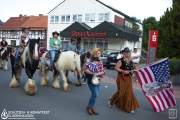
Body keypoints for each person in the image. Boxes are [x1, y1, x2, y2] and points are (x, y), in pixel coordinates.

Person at [108, 47, 139, 114]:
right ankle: (111, 100)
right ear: (124, 53)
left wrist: (132, 73)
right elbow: (116, 68)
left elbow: (132, 69)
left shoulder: (130, 61)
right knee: (121, 92)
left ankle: (129, 108)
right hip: (121, 77)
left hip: (128, 78)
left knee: (129, 93)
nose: (128, 53)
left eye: (128, 52)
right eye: (126, 52)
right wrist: (123, 71)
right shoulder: (121, 60)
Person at [84, 48, 105, 115]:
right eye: (98, 53)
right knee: (95, 94)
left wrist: (98, 73)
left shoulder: (100, 61)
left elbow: (103, 71)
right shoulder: (90, 61)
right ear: (95, 53)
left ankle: (91, 107)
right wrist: (94, 73)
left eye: (100, 53)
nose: (99, 54)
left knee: (94, 95)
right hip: (91, 80)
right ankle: (89, 107)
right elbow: (85, 70)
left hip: (98, 80)